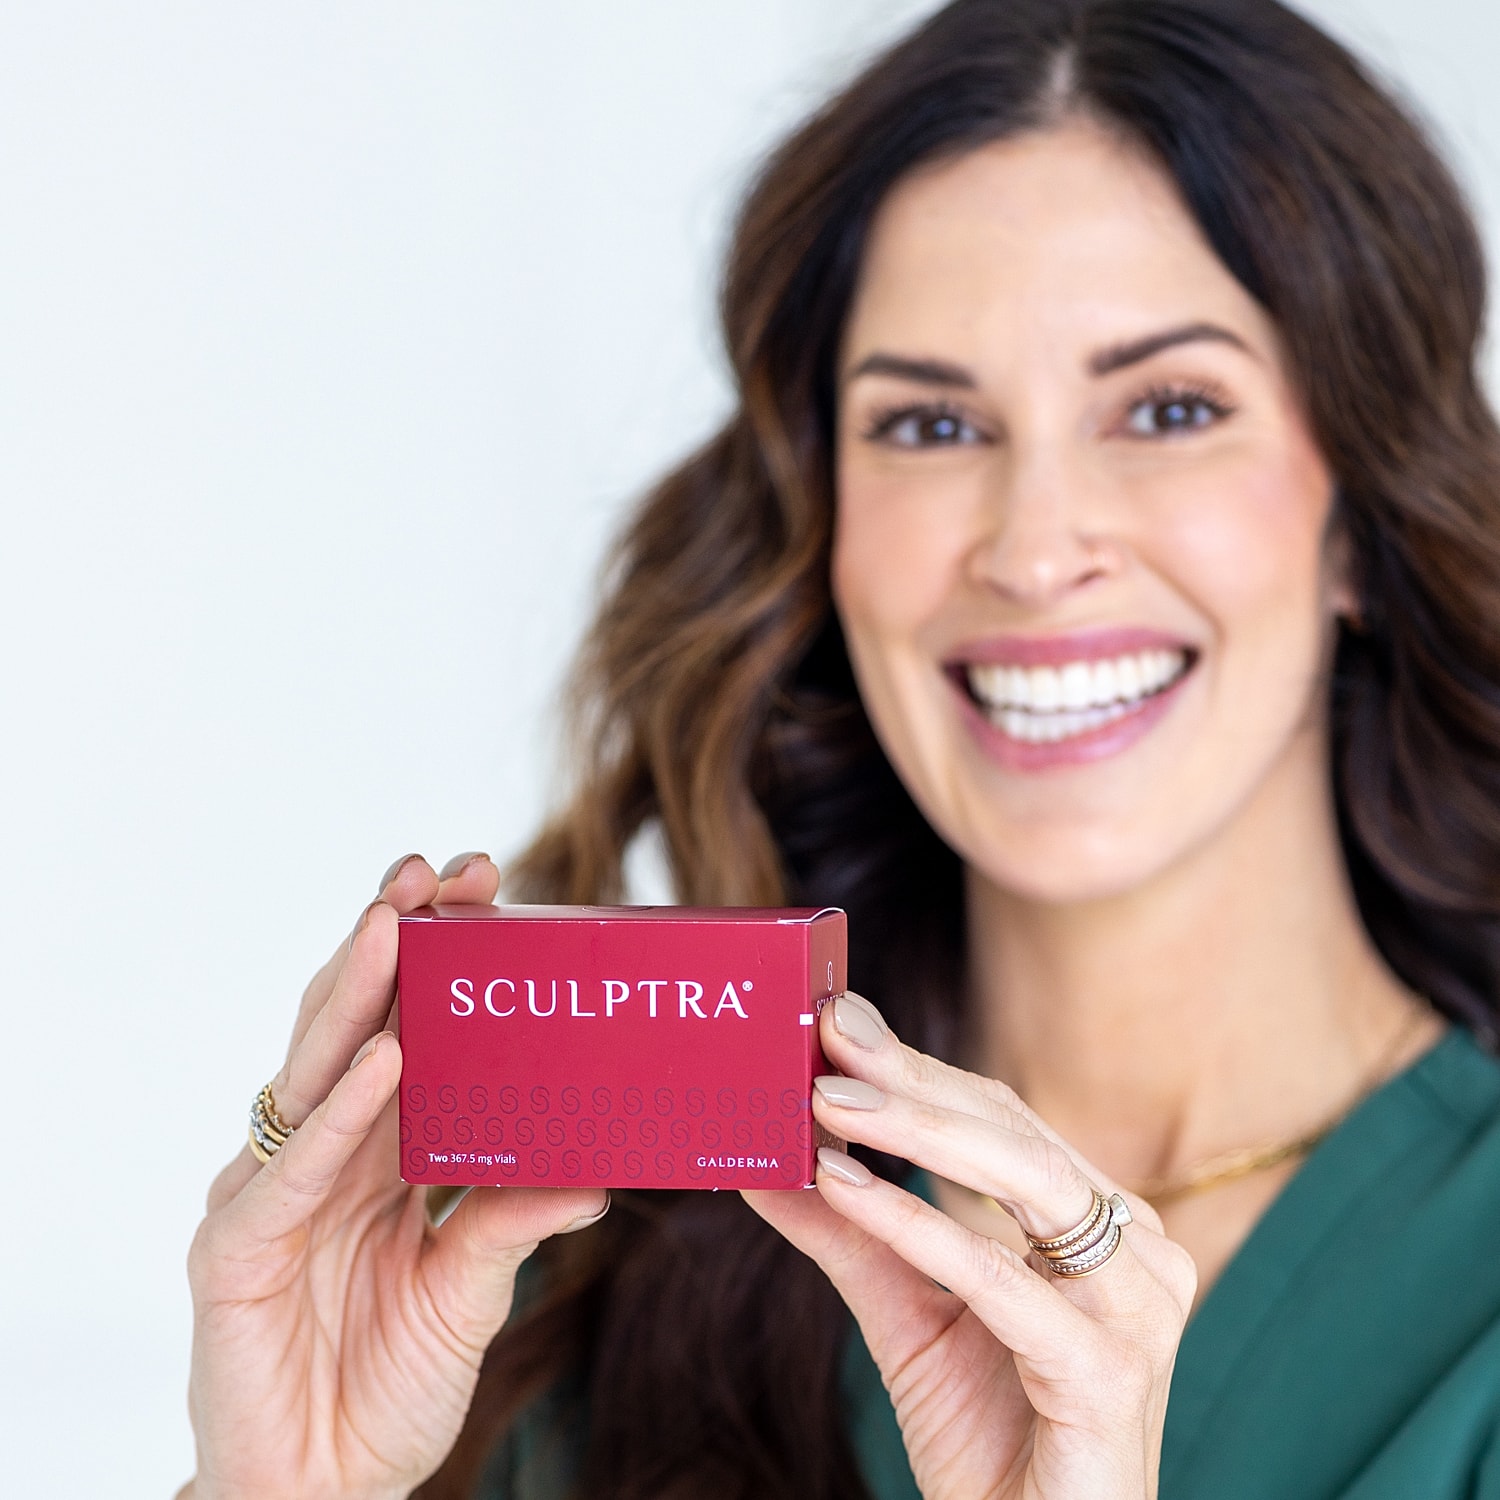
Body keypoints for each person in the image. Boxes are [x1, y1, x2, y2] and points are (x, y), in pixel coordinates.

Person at [178, 1, 1500, 1497]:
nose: (1036, 546)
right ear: (826, 533)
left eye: (1171, 407)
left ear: (1361, 520)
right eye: (931, 427)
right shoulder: (579, 1256)